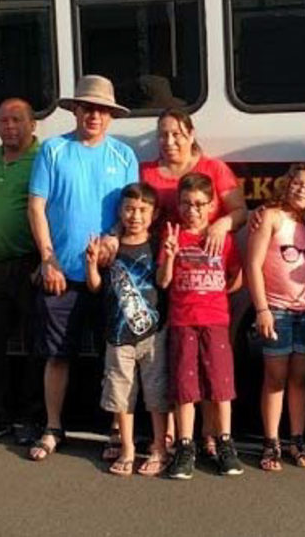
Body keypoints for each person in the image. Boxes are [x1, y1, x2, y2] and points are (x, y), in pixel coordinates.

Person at [26, 75, 138, 461]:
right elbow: (36, 207)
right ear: (75, 110)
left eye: (102, 110)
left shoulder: (124, 156)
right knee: (57, 355)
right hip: (61, 272)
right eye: (87, 108)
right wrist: (48, 258)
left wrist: (113, 237)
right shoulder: (53, 151)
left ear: (111, 117)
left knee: (115, 354)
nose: (95, 116)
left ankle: (114, 430)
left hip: (110, 273)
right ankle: (53, 426)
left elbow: (131, 211)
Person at [159, 173, 244, 480]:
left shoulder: (224, 239)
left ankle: (224, 442)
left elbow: (236, 275)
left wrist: (215, 297)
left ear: (212, 206)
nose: (191, 210)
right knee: (185, 387)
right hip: (183, 322)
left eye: (198, 204)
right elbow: (164, 282)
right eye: (185, 203)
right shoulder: (173, 237)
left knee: (220, 386)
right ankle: (185, 445)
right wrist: (168, 257)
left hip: (215, 321)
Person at [85, 182, 169, 477]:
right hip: (118, 335)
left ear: (154, 214)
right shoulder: (111, 246)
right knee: (122, 393)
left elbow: (164, 281)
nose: (135, 216)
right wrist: (92, 266)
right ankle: (128, 448)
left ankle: (159, 446)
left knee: (157, 391)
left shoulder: (157, 244)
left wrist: (169, 257)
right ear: (119, 212)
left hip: (153, 334)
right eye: (129, 209)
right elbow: (96, 288)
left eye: (143, 210)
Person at [0, 97, 43, 445]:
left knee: (35, 345)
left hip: (30, 264)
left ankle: (32, 417)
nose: (10, 127)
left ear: (33, 124)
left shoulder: (43, 159)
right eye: (3, 121)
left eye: (17, 120)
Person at [245, 164, 305, 473]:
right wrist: (261, 309)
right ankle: (271, 441)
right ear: (287, 183)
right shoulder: (270, 215)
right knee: (275, 378)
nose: (302, 190)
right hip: (276, 310)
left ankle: (297, 440)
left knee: (299, 379)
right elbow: (253, 265)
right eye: (298, 183)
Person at [141, 108, 247, 246]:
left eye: (176, 134)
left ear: (191, 135)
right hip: (159, 254)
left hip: (206, 256)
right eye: (163, 135)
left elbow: (240, 212)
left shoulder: (215, 168)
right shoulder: (144, 172)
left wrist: (221, 226)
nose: (169, 141)